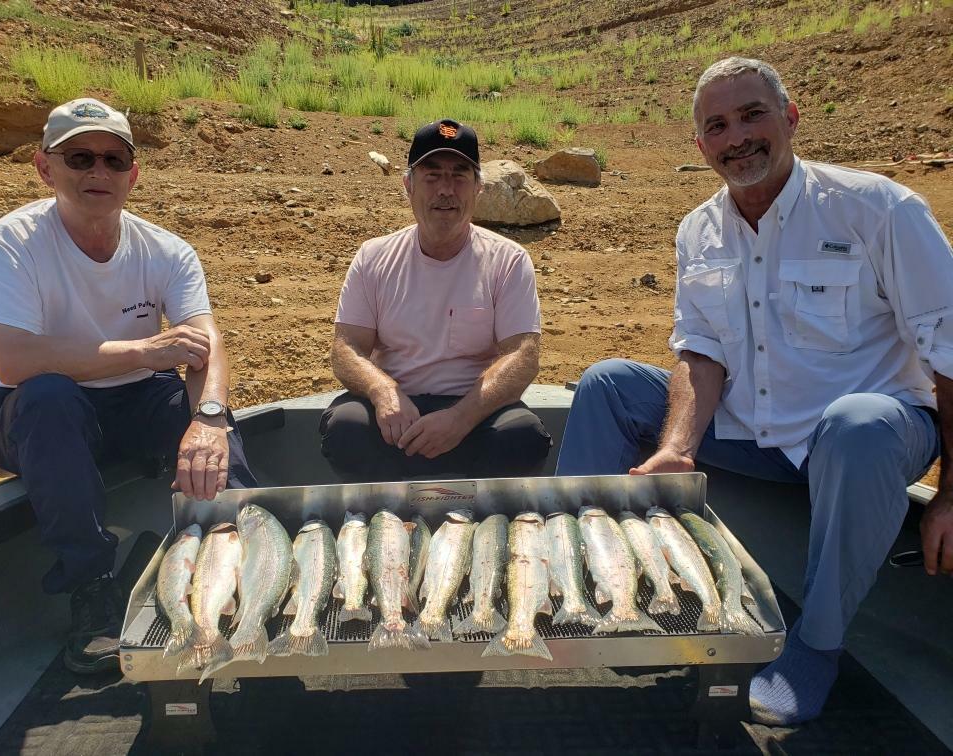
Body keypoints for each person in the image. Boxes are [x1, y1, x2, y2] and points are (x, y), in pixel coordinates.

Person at [555, 57, 953, 725]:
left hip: (866, 442)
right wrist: (679, 446)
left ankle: (816, 648)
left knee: (855, 426)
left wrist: (952, 495)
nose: (736, 137)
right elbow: (701, 353)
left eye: (752, 115)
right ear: (700, 145)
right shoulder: (697, 231)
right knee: (609, 385)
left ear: (791, 118)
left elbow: (948, 352)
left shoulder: (878, 209)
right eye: (717, 125)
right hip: (751, 433)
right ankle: (592, 585)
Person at [0, 98, 257, 674]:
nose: (98, 172)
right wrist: (144, 351)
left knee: (209, 423)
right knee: (50, 397)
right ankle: (92, 590)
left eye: (113, 159)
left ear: (133, 173)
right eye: (80, 157)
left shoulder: (167, 250)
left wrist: (210, 419)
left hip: (137, 398)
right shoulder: (11, 244)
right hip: (39, 415)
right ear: (45, 167)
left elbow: (205, 343)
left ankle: (242, 563)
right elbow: (16, 359)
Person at [321, 119, 551, 482]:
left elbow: (523, 355)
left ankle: (476, 519)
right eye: (432, 176)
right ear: (408, 186)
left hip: (474, 408)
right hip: (398, 412)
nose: (446, 190)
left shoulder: (508, 260)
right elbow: (346, 347)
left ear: (478, 189)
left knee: (522, 438)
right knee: (345, 430)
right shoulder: (373, 257)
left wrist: (459, 419)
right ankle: (388, 513)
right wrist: (383, 391)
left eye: (460, 176)